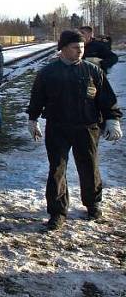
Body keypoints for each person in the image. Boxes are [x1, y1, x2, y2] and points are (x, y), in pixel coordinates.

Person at [27, 30, 122, 231]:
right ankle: (57, 212)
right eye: (75, 47)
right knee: (57, 169)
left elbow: (106, 98)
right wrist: (32, 119)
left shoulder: (93, 71)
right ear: (63, 49)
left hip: (87, 126)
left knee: (89, 166)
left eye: (82, 47)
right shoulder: (48, 73)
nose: (80, 51)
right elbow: (37, 98)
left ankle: (93, 204)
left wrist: (113, 119)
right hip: (58, 127)